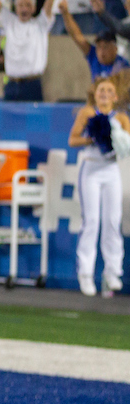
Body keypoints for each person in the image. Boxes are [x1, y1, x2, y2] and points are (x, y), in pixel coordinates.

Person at [67, 77, 128, 297]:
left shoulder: (121, 117)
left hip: (111, 170)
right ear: (95, 93)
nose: (104, 93)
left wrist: (117, 139)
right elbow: (72, 140)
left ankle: (113, 272)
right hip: (91, 169)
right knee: (91, 220)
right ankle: (85, 272)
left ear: (115, 96)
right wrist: (93, 139)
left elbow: (127, 145)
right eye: (101, 90)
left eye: (109, 90)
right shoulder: (87, 113)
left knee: (112, 220)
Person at [0, 0, 61, 102]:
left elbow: (49, 4)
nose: (24, 8)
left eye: (28, 5)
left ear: (34, 9)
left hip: (32, 84)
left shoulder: (41, 24)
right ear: (16, 8)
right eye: (21, 5)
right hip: (11, 84)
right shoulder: (9, 21)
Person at [59, 1, 128, 81]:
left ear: (115, 49)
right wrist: (65, 13)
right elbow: (77, 36)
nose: (102, 51)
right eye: (99, 47)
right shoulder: (94, 56)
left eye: (105, 47)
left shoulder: (123, 65)